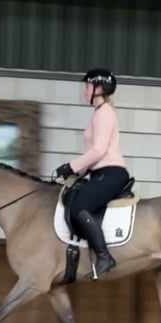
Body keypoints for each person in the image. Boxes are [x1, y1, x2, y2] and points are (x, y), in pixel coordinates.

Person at [55, 68, 131, 280]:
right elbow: (95, 154)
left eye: (87, 86)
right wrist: (76, 171)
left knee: (80, 207)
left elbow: (98, 150)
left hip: (111, 173)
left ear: (98, 89)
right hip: (99, 173)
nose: (84, 90)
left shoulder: (105, 113)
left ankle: (104, 257)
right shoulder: (99, 113)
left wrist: (71, 166)